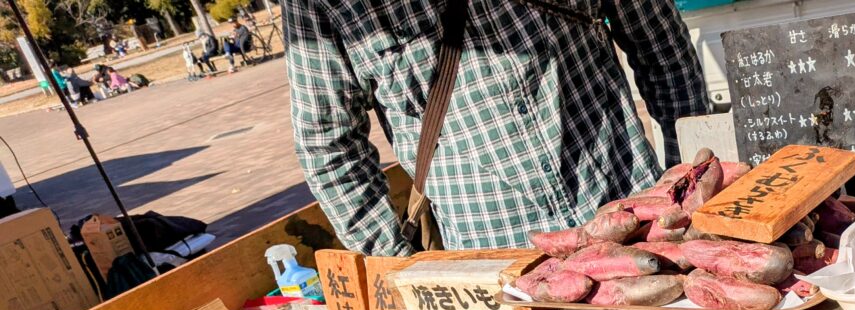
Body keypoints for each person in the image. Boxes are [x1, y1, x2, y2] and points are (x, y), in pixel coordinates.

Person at [283, 0, 708, 255]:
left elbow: (663, 49)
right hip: (493, 261)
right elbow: (328, 144)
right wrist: (397, 264)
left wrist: (686, 188)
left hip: (637, 219)